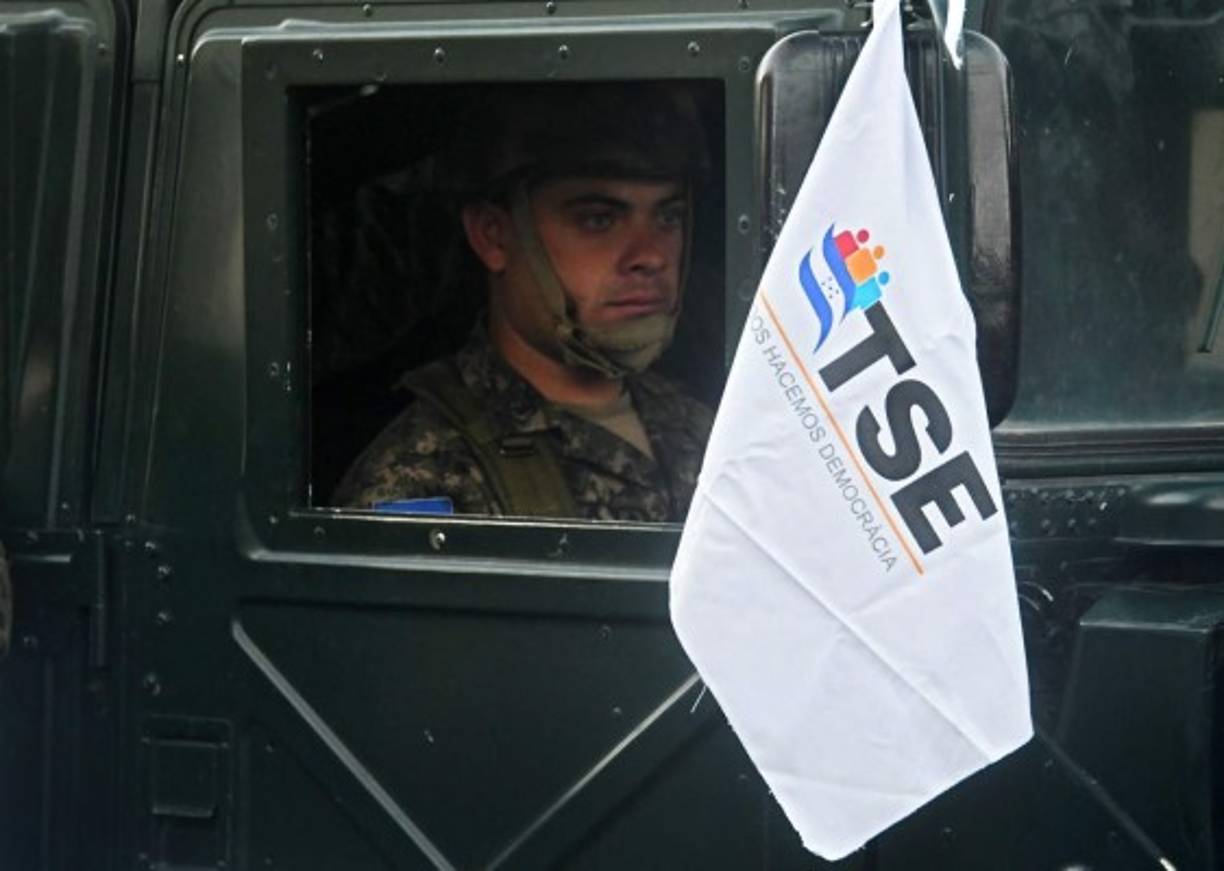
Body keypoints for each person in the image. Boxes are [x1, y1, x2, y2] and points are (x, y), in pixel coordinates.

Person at [332, 83, 715, 521]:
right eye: (598, 220)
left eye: (669, 217)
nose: (650, 256)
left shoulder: (706, 424)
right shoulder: (422, 477)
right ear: (494, 236)